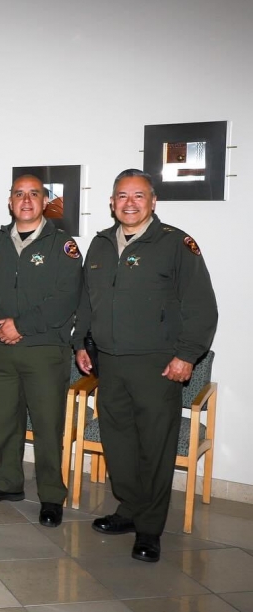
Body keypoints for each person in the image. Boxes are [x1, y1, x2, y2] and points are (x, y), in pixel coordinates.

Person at [74, 169, 217, 562]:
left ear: (153, 202)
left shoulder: (174, 243)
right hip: (110, 364)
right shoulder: (101, 244)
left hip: (158, 365)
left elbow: (202, 306)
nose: (130, 203)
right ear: (112, 202)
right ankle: (130, 509)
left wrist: (187, 355)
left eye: (139, 196)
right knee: (118, 444)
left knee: (155, 447)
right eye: (122, 196)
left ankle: (150, 529)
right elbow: (87, 301)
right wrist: (80, 343)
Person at [0, 174, 83, 527]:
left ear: (44, 201)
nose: (27, 200)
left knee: (48, 428)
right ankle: (7, 481)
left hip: (44, 350)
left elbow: (65, 299)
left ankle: (51, 495)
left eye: (34, 194)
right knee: (6, 421)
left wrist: (21, 326)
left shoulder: (62, 245)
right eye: (20, 194)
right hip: (2, 350)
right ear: (10, 201)